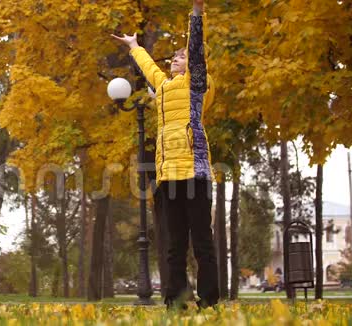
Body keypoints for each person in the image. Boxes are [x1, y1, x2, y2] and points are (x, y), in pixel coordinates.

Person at [112, 0, 219, 309]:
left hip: (194, 173)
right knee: (173, 246)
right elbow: (148, 69)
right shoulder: (162, 87)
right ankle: (176, 302)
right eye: (174, 56)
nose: (176, 58)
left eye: (181, 56)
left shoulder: (195, 84)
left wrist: (196, 14)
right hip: (167, 176)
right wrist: (134, 46)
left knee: (202, 244)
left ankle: (209, 302)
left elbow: (196, 46)